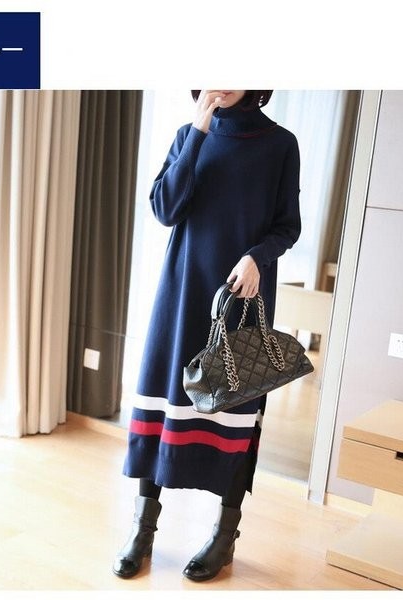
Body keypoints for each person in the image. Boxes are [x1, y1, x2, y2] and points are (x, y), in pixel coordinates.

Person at [113, 90, 301, 582]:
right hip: (182, 292)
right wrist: (198, 133)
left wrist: (257, 257)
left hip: (241, 294)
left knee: (236, 406)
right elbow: (165, 208)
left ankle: (224, 537)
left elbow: (288, 225)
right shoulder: (187, 136)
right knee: (165, 401)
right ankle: (142, 531)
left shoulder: (280, 144)